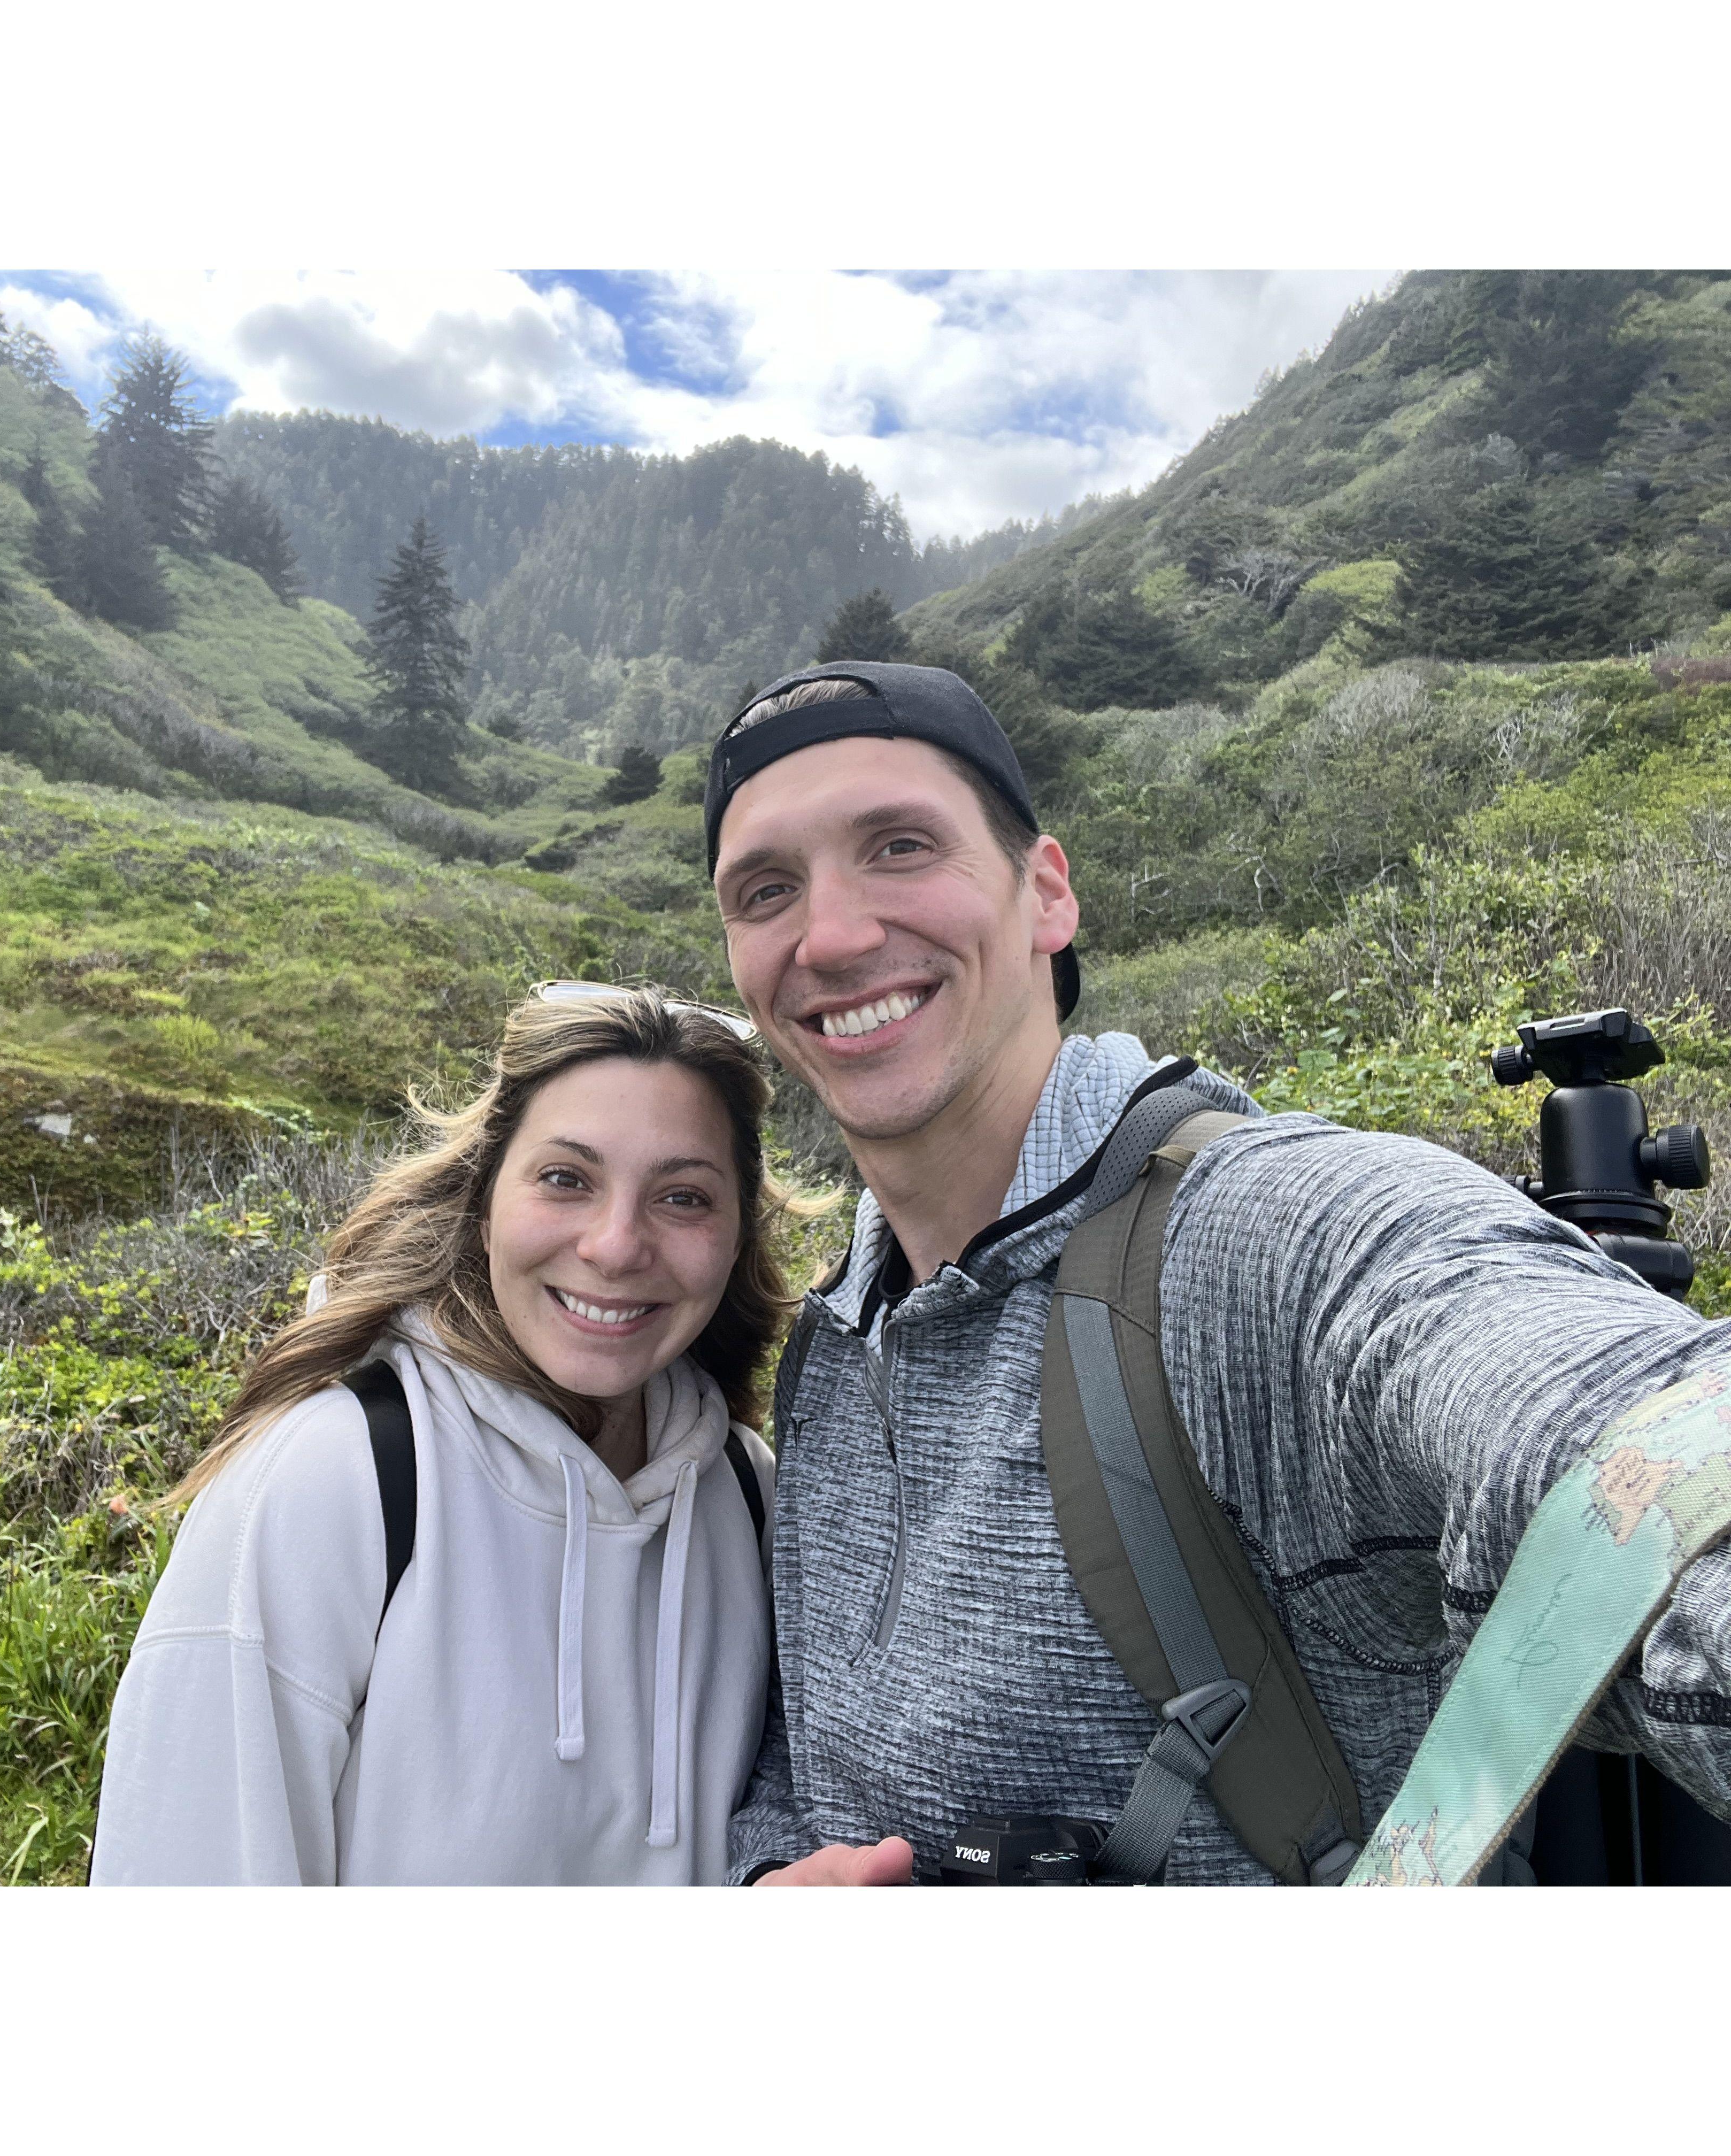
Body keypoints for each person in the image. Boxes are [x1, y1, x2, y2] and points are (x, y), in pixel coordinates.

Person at [701, 660, 1731, 1885]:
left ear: (1046, 894)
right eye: (767, 890)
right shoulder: (834, 1339)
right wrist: (769, 1878)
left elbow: (1631, 1429)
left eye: (901, 847)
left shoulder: (1263, 1239)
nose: (831, 935)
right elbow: (803, 1740)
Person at [91, 987, 787, 1884]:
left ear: (736, 1236)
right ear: (486, 1199)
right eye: (566, 1179)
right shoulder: (335, 1477)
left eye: (684, 1197)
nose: (617, 1246)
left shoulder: (746, 1493)